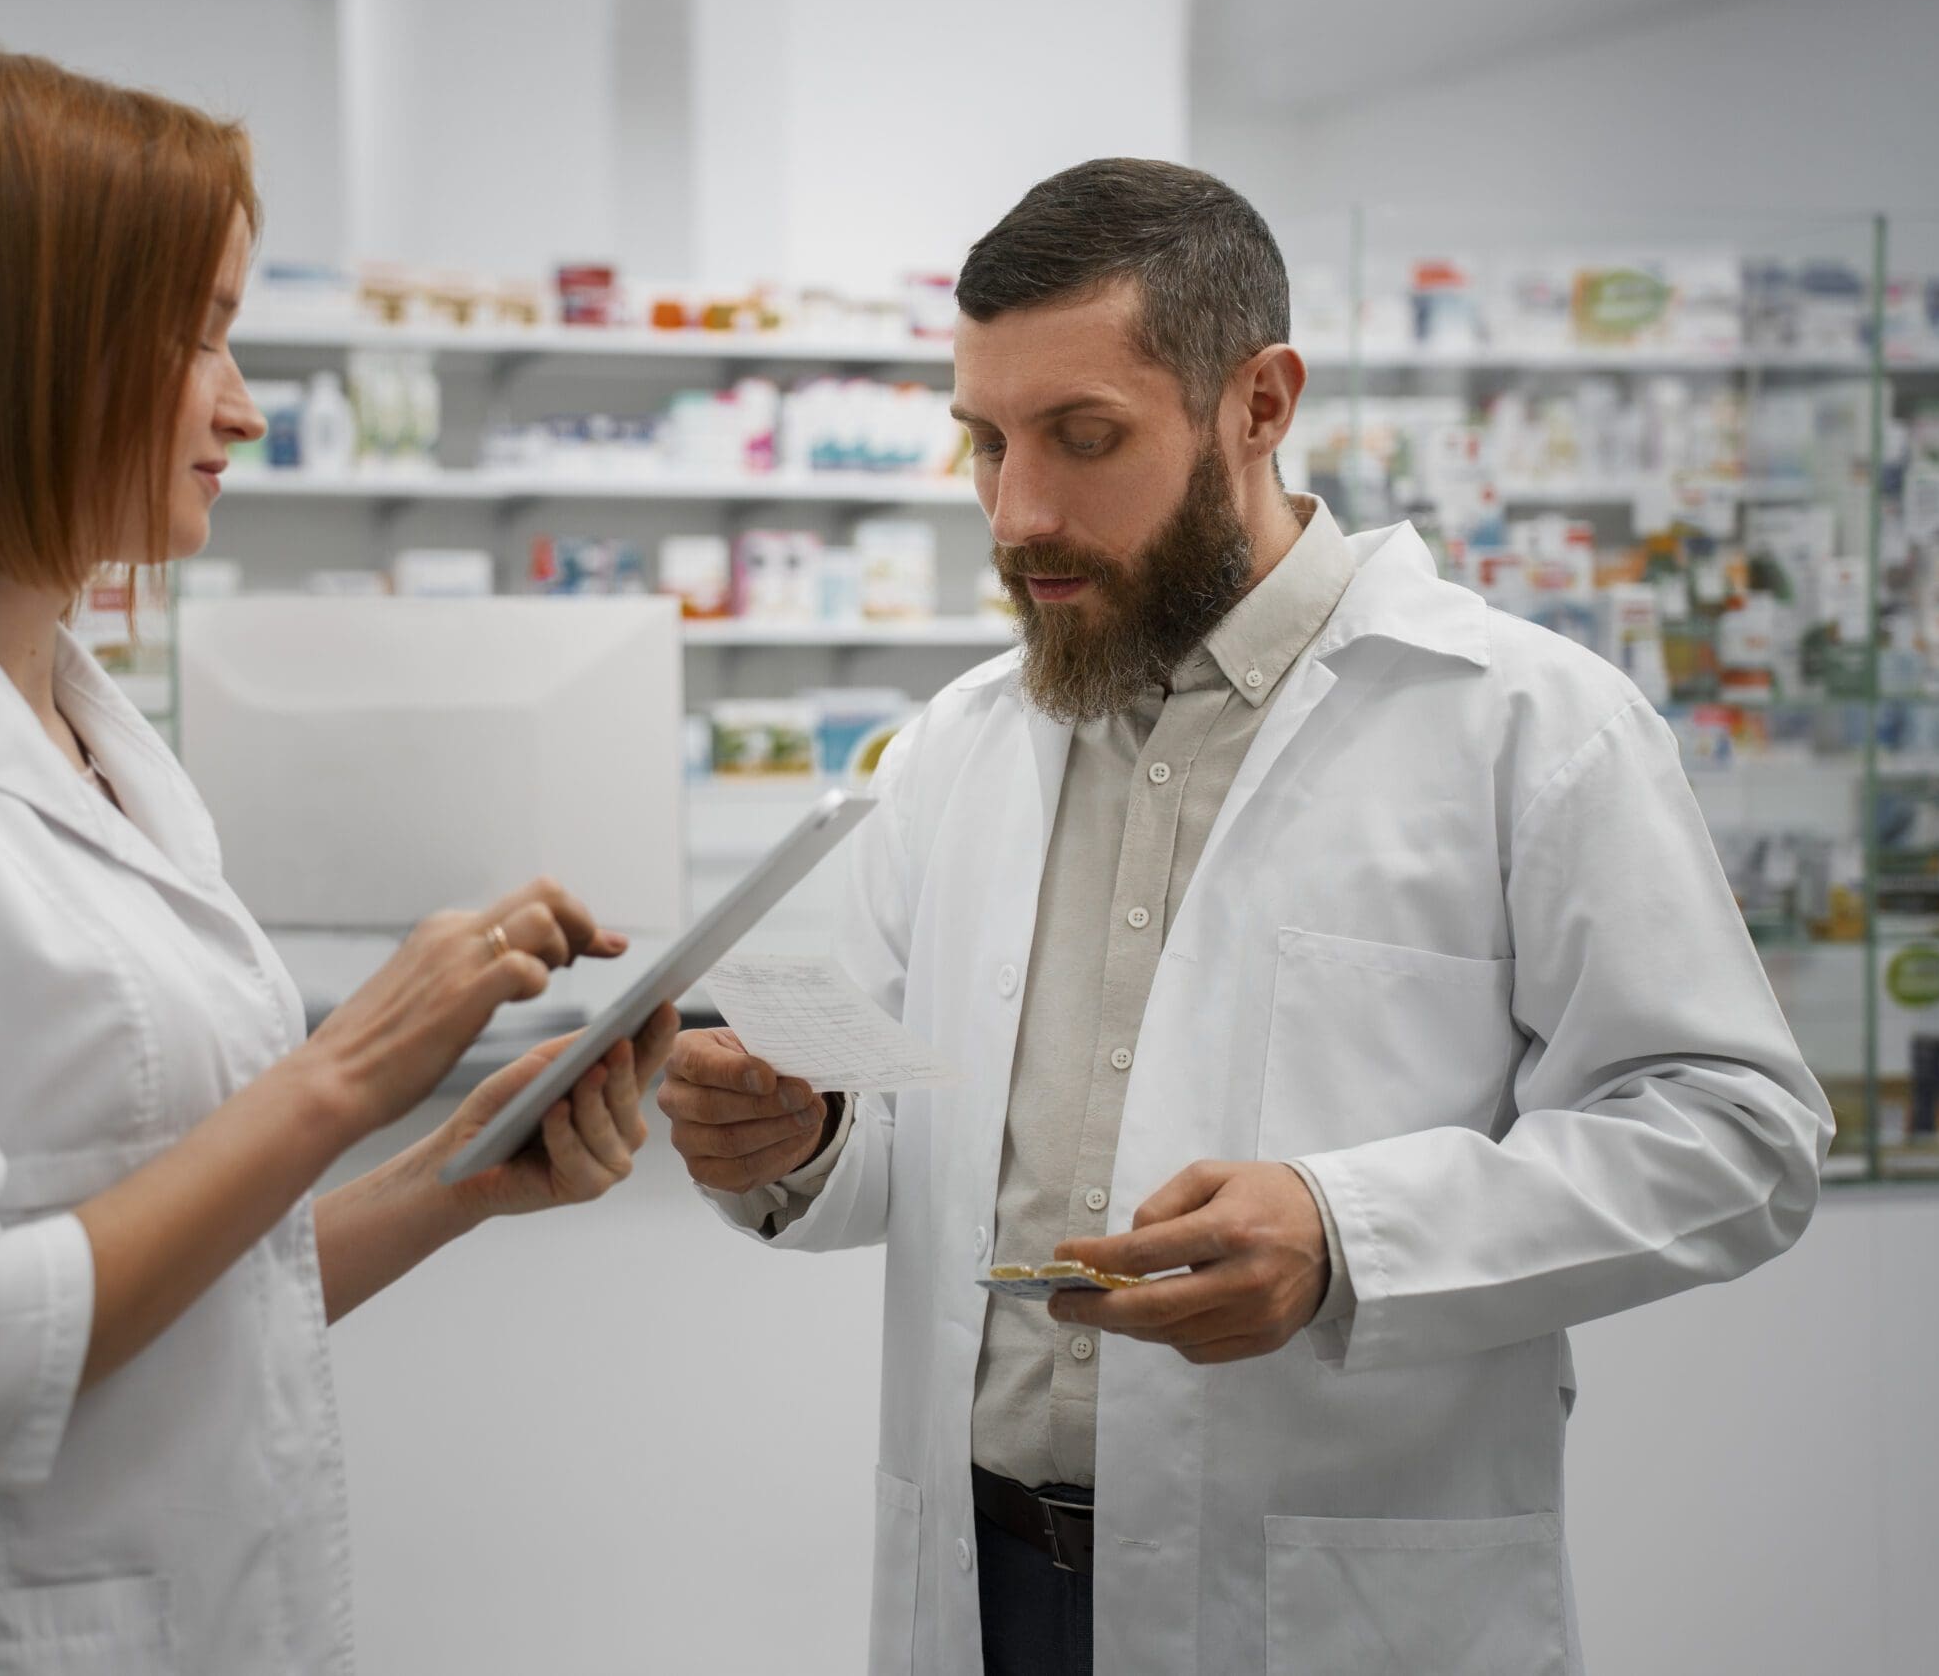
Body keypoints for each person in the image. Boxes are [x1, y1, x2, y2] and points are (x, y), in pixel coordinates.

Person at [657, 159, 1831, 1676]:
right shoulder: (963, 741)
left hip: (1323, 1610)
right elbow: (910, 1138)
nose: (1019, 514)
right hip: (988, 1579)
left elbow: (1739, 1133)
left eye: (1087, 439)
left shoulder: (1524, 725)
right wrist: (805, 1140)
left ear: (1261, 402)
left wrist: (1349, 1235)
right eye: (987, 443)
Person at [0, 42, 671, 1675]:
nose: (241, 402)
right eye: (196, 334)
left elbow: (172, 1300)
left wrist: (448, 1180)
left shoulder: (103, 744)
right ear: (13, 349)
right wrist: (343, 1075)